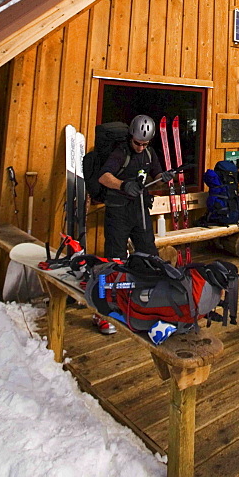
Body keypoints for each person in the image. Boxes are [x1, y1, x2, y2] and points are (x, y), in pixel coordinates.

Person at [95, 114, 164, 334]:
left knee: (149, 255)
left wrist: (165, 176)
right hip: (118, 211)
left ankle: (145, 304)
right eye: (137, 143)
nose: (141, 147)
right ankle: (103, 313)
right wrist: (124, 186)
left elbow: (157, 174)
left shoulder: (149, 153)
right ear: (130, 137)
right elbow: (104, 177)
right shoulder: (121, 152)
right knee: (114, 259)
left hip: (140, 210)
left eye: (145, 144)